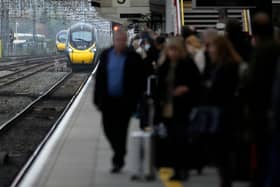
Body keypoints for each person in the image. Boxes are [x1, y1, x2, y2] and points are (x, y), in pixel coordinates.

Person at [94, 30, 145, 173]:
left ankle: (118, 159)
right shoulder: (105, 55)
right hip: (108, 101)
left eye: (123, 40)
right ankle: (119, 149)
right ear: (113, 40)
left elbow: (141, 78)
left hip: (125, 101)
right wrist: (97, 99)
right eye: (117, 40)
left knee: (121, 130)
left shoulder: (133, 57)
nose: (120, 42)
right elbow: (99, 78)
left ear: (126, 41)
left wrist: (136, 97)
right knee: (107, 128)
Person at [156, 37, 201, 180]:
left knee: (181, 139)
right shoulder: (165, 65)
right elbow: (159, 85)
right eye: (170, 50)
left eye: (175, 50)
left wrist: (186, 89)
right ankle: (176, 168)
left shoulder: (187, 64)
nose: (172, 53)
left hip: (183, 108)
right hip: (167, 108)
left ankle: (182, 169)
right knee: (171, 139)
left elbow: (197, 84)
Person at [247, 12, 280, 187]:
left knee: (262, 150)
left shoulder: (261, 52)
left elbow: (253, 82)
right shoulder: (273, 49)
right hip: (269, 108)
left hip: (263, 110)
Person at [207, 35, 241, 187]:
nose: (209, 50)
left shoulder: (228, 66)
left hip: (225, 112)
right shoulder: (221, 64)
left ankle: (226, 180)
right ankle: (225, 179)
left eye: (212, 47)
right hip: (222, 111)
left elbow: (221, 89)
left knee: (223, 149)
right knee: (222, 149)